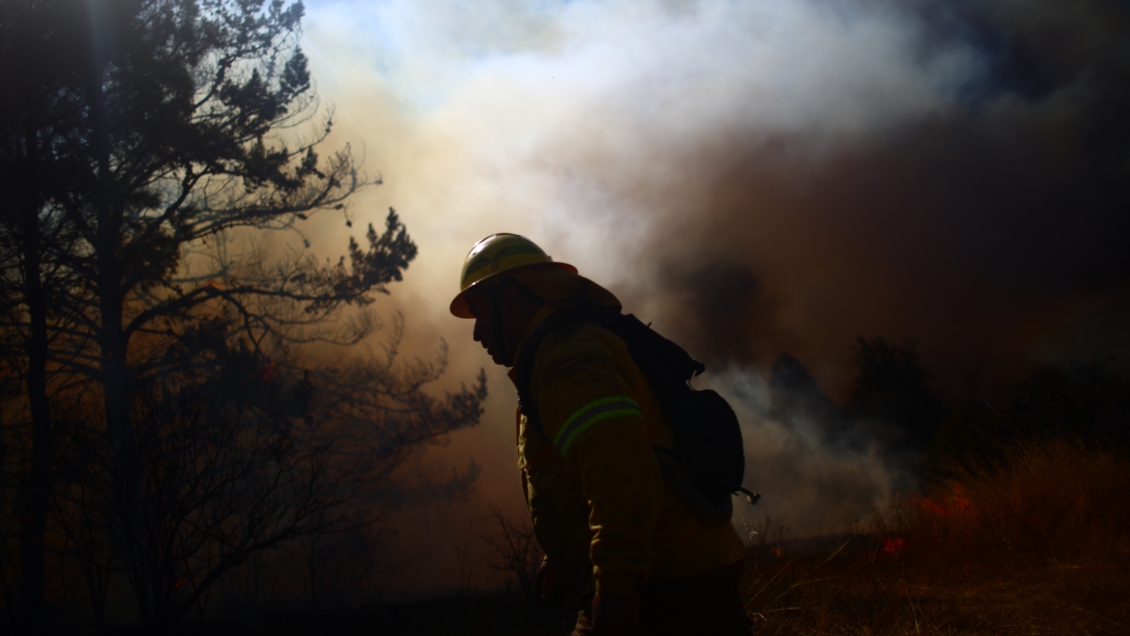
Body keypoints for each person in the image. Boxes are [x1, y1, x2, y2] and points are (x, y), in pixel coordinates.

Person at [450, 234, 751, 635]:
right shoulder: (557, 353)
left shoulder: (568, 360)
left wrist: (616, 588)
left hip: (664, 581)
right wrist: (562, 558)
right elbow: (583, 474)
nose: (477, 333)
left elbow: (621, 475)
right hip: (676, 571)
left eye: (481, 313)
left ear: (511, 300)